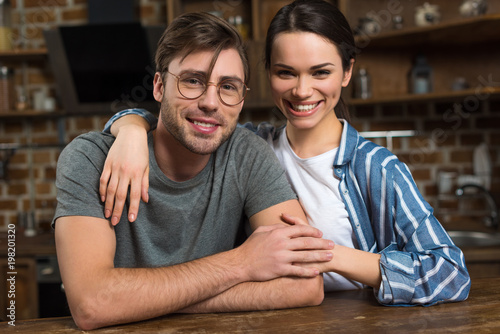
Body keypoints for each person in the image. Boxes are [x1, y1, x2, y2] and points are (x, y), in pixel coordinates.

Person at [101, 0, 471, 307]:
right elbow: (184, 121)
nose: (302, 90)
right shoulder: (247, 147)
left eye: (320, 72)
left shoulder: (375, 168)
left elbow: (451, 273)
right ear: (268, 75)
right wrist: (131, 128)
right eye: (286, 73)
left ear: (346, 72)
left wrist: (332, 256)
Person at [53, 11, 337, 331]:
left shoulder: (247, 154)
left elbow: (306, 285)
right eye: (192, 81)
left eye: (228, 86)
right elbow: (93, 304)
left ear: (241, 100)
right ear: (159, 87)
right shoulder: (89, 158)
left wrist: (143, 302)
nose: (210, 102)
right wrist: (242, 263)